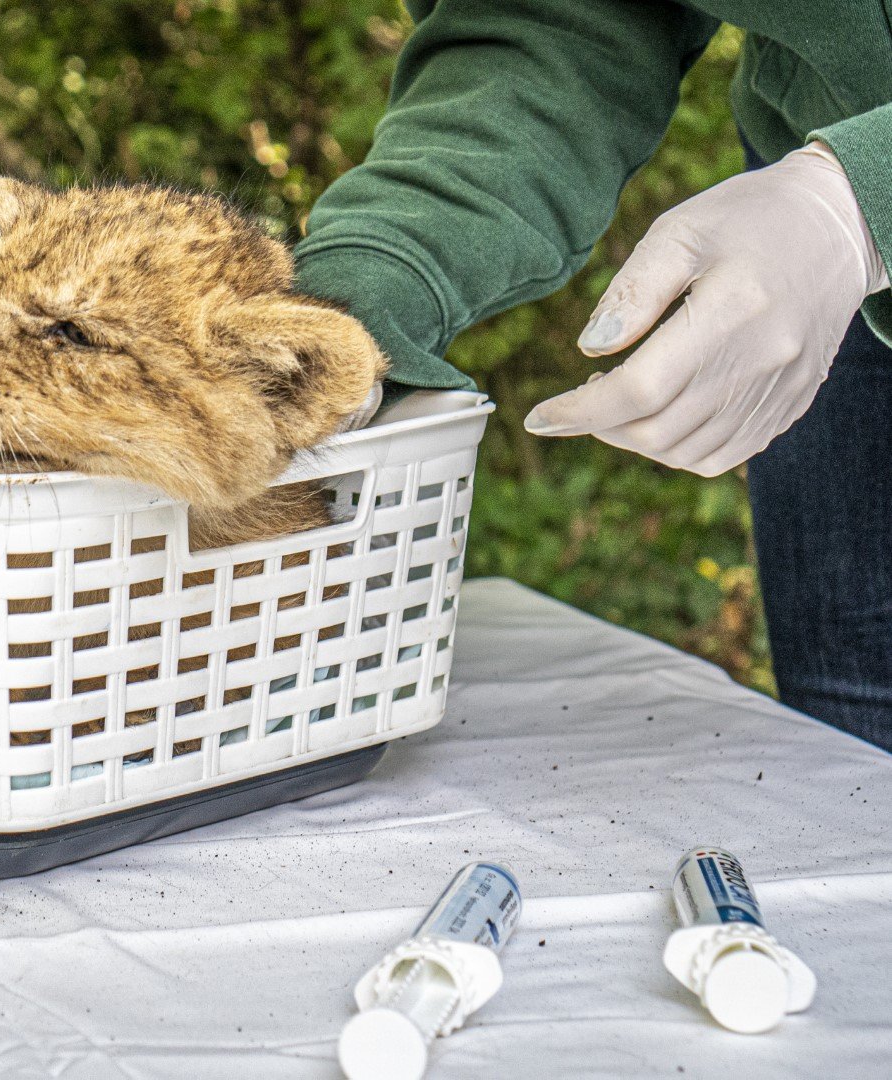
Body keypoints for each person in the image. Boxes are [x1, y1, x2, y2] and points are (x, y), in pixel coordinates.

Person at [294, 2, 892, 749]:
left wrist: (860, 201)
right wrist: (365, 283)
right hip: (818, 253)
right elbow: (558, 23)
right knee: (858, 735)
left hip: (833, 211)